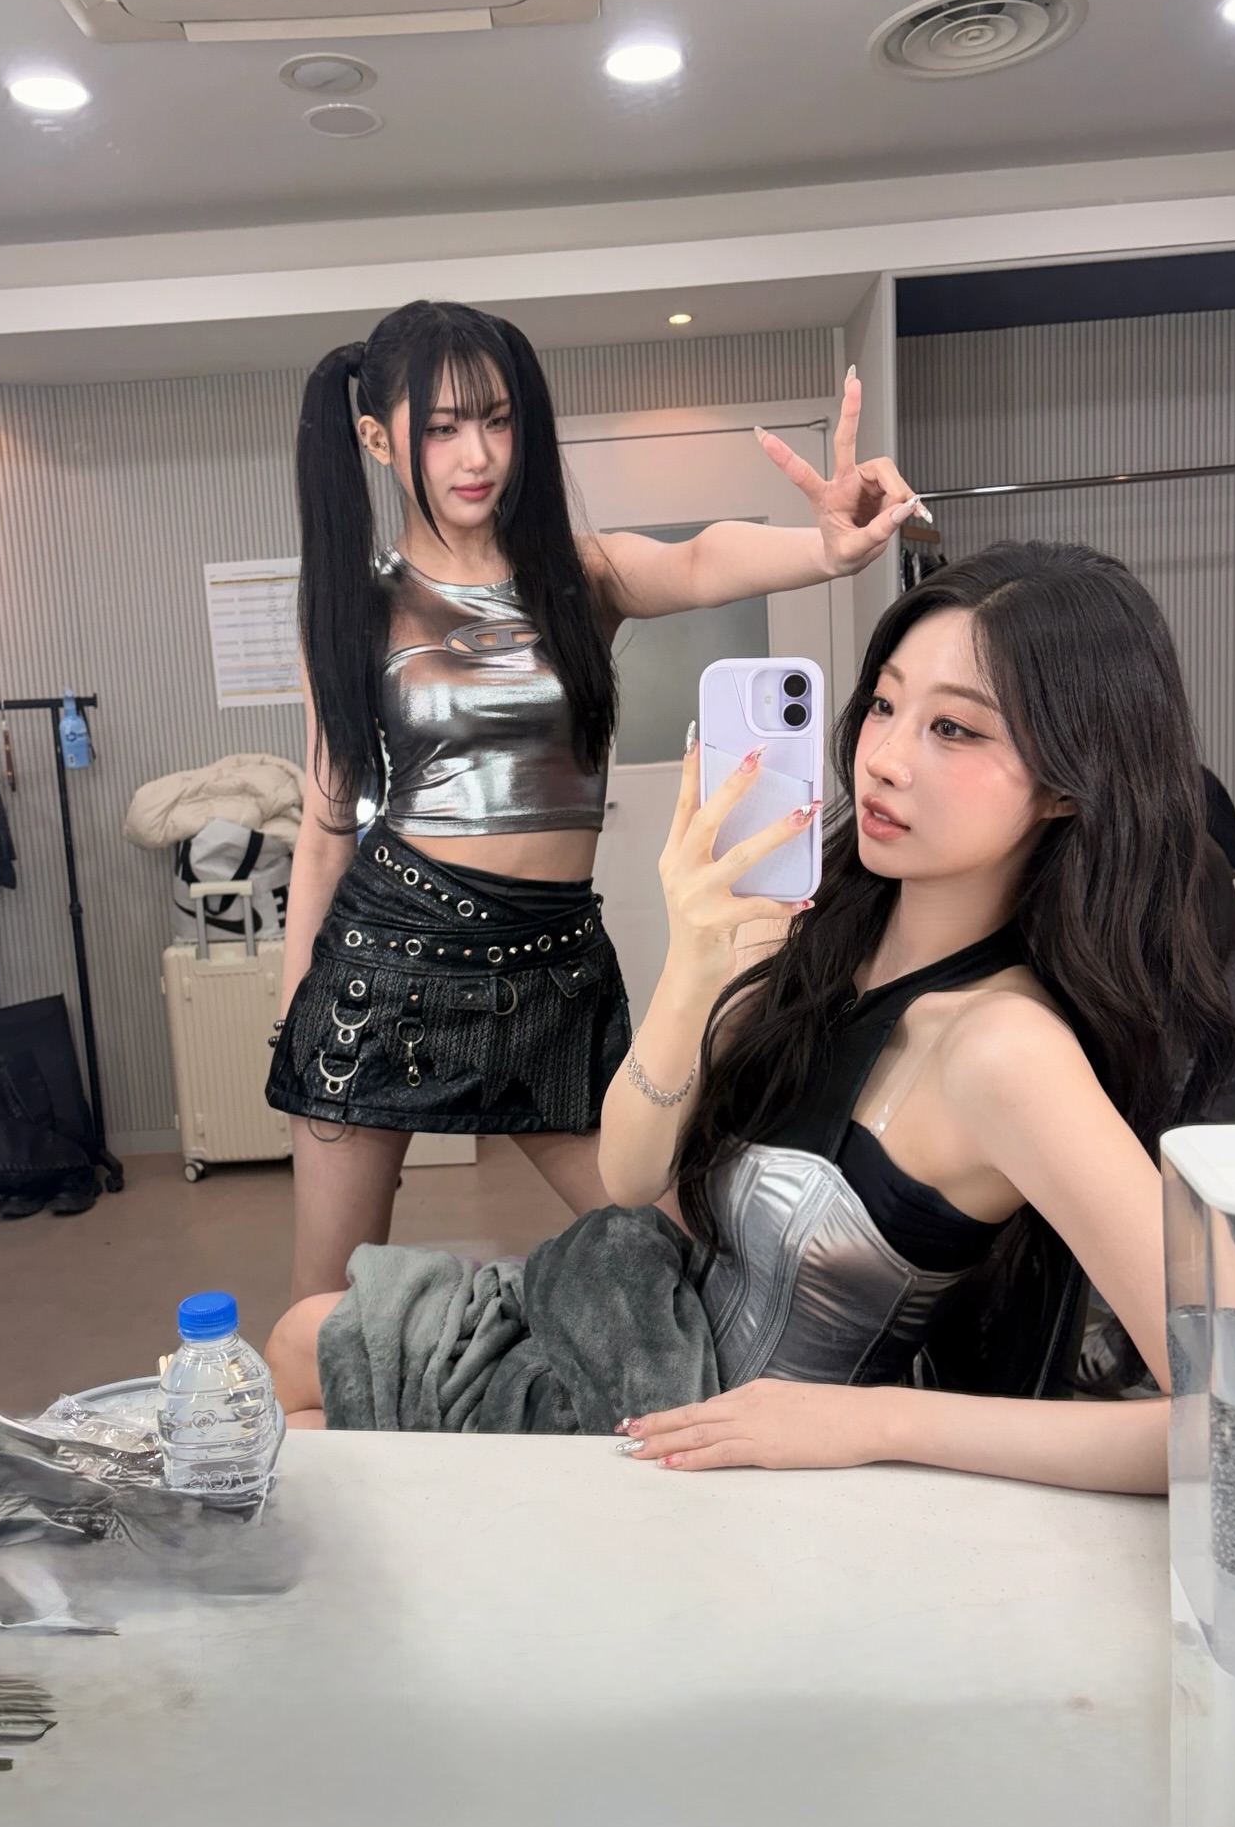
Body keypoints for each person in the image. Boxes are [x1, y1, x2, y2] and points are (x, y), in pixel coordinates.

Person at [267, 541, 1235, 1496]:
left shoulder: (1006, 1051)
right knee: (297, 1347)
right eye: (884, 705)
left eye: (955, 729)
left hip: (714, 1452)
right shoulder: (822, 929)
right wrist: (697, 962)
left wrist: (876, 1424)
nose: (885, 759)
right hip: (638, 1330)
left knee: (303, 1413)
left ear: (1071, 781)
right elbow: (630, 1177)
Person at [266, 299, 920, 1301]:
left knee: (672, 1251)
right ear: (376, 437)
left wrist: (826, 550)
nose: (477, 454)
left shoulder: (578, 574)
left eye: (497, 419)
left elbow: (696, 560)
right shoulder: (353, 606)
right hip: (386, 966)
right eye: (441, 427)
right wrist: (293, 1023)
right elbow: (323, 830)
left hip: (554, 968)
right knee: (326, 1307)